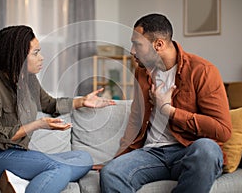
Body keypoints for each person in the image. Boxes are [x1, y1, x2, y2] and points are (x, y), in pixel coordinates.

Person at [0, 25, 115, 193]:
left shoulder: (29, 80)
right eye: (35, 53)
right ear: (17, 56)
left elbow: (49, 104)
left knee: (84, 158)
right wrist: (37, 124)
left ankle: (21, 184)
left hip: (17, 154)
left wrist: (82, 101)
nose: (42, 58)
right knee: (61, 168)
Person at [99, 13, 232, 193]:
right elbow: (136, 117)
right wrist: (118, 158)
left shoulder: (202, 71)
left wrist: (169, 111)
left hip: (189, 150)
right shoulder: (142, 72)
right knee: (111, 173)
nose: (132, 50)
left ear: (158, 45)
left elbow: (223, 131)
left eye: (137, 44)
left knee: (207, 150)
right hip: (152, 155)